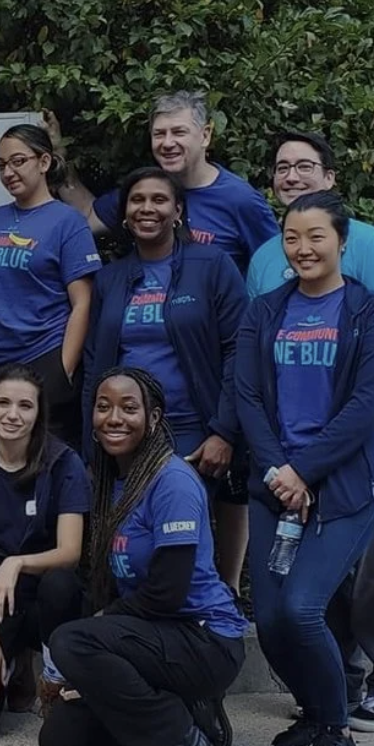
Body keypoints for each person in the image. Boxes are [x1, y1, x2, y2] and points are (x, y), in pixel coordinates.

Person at [248, 129, 374, 733]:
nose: (291, 175)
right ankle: (336, 682)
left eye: (304, 165)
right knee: (317, 582)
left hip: (362, 443)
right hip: (288, 456)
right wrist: (280, 465)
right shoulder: (268, 255)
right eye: (281, 166)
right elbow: (256, 366)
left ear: (331, 177)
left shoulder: (369, 244)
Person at [40, 368, 244, 746]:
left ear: (153, 419)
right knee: (61, 743)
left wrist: (97, 631)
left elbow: (168, 591)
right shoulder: (110, 481)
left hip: (205, 637)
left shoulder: (171, 481)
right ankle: (193, 721)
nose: (114, 417)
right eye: (103, 406)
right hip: (155, 636)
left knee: (72, 641)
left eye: (129, 408)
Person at [81, 167, 252, 589]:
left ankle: (204, 624)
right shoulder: (111, 278)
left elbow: (238, 350)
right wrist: (91, 448)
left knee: (181, 543)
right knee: (129, 540)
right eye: (137, 200)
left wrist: (224, 432)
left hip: (194, 433)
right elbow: (94, 364)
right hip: (122, 434)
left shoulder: (211, 266)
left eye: (159, 199)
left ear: (178, 210)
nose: (147, 208)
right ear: (124, 215)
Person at [0, 364, 89, 742]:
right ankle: (13, 659)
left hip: (45, 597)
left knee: (61, 584)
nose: (13, 414)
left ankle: (55, 679)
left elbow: (70, 552)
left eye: (25, 405)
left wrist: (17, 562)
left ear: (38, 413)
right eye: (3, 403)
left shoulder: (63, 463)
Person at [0, 123, 101, 447]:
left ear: (44, 162)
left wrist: (62, 371)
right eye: (1, 164)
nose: (8, 172)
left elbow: (84, 303)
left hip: (41, 361)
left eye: (18, 161)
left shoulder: (68, 223)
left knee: (42, 470)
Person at [70, 93, 278, 271]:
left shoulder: (241, 200)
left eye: (179, 132)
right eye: (159, 134)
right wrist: (60, 163)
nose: (168, 143)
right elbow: (85, 218)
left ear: (205, 136)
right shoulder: (143, 194)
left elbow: (276, 271)